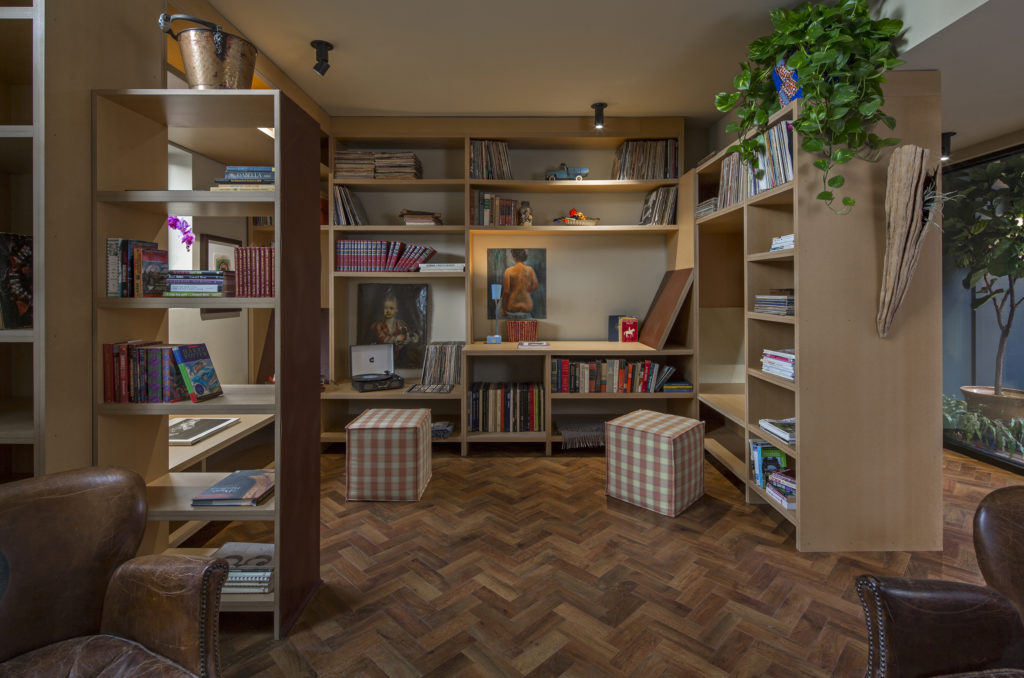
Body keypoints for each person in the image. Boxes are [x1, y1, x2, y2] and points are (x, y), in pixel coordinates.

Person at [370, 293, 420, 360]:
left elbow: (407, 335)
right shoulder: (378, 325)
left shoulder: (401, 323)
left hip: (399, 357)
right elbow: (381, 339)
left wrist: (411, 337)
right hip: (382, 357)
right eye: (386, 308)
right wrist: (396, 339)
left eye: (391, 308)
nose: (388, 311)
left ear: (396, 309)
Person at [501, 248, 539, 317]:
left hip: (513, 305)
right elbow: (535, 286)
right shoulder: (530, 270)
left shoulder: (508, 271)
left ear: (513, 257)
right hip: (527, 306)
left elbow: (506, 291)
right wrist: (525, 289)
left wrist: (503, 308)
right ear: (524, 256)